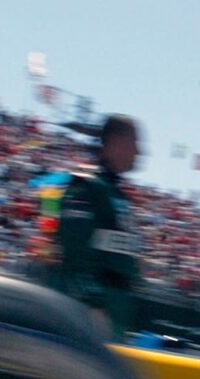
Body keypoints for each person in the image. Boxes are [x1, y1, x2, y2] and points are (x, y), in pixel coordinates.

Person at [52, 114, 141, 338]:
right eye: (134, 143)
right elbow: (75, 250)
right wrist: (92, 303)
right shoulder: (87, 187)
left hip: (113, 309)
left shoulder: (115, 193)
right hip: (88, 313)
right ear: (116, 143)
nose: (138, 152)